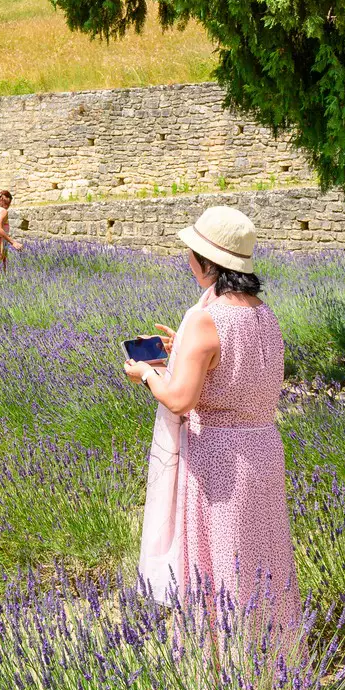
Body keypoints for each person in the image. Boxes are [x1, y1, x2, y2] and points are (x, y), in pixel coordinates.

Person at [125, 206, 301, 655]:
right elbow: (237, 371)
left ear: (209, 263)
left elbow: (181, 398)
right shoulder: (264, 313)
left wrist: (147, 374)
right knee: (263, 556)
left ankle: (222, 670)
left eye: (192, 253)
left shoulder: (206, 318)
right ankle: (271, 660)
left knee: (220, 561)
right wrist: (182, 349)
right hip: (262, 447)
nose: (188, 260)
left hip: (220, 457)